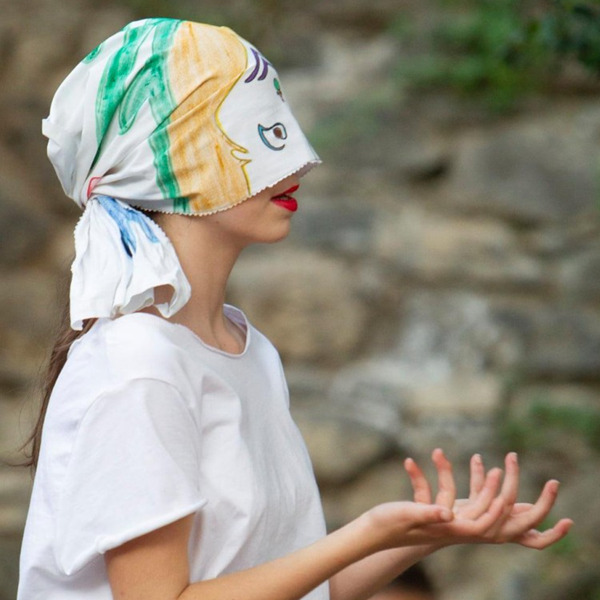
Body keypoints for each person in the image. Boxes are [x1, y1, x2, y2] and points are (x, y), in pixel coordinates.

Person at [17, 17, 572, 600]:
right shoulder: (139, 362)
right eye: (255, 132)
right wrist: (366, 532)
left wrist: (421, 534)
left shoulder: (244, 347)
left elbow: (295, 590)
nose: (299, 161)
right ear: (166, 159)